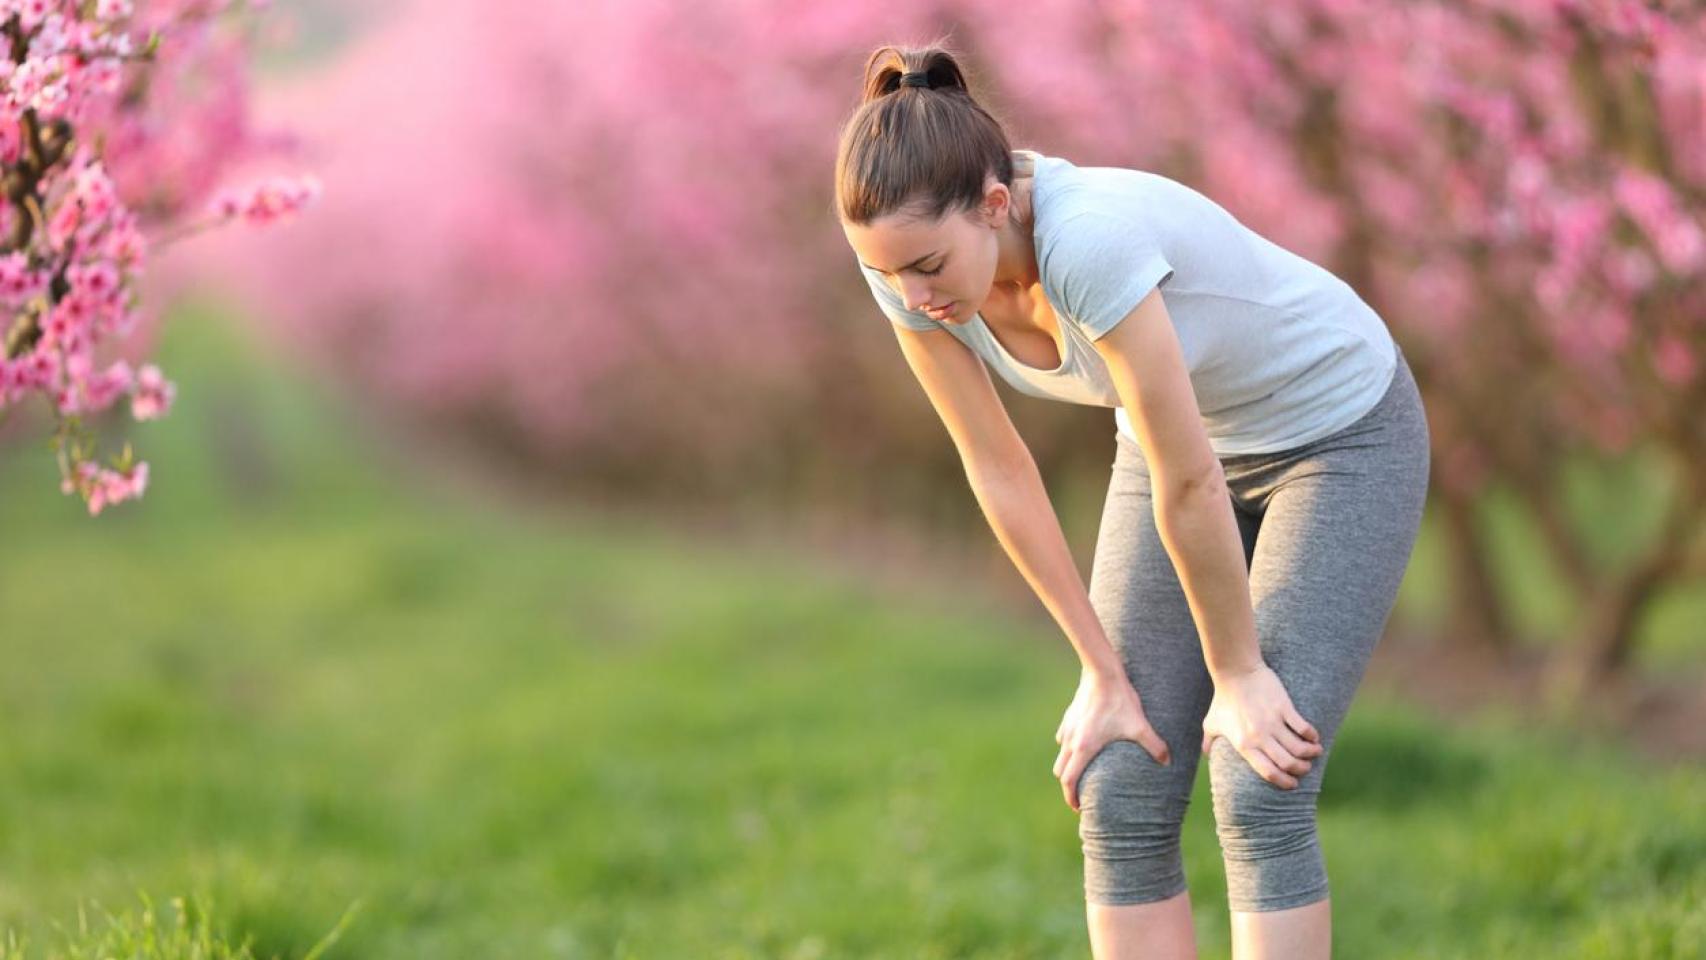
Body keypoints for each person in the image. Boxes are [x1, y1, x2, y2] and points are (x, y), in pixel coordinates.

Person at [834, 42, 1431, 960]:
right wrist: (1100, 671)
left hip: (1339, 431)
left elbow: (1189, 478)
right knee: (1119, 776)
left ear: (996, 206)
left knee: (1256, 772)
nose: (912, 295)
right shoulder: (910, 273)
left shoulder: (1089, 241)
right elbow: (999, 470)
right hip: (1175, 444)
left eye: (926, 265)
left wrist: (1237, 674)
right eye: (890, 274)